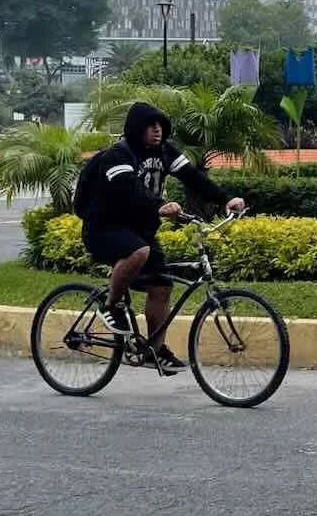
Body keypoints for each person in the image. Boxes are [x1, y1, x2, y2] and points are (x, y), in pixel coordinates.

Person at [73, 102, 245, 374]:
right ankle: (111, 304)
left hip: (139, 230)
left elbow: (192, 177)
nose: (157, 130)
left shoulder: (165, 151)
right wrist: (159, 205)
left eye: (161, 126)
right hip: (103, 228)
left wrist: (225, 198)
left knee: (162, 285)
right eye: (151, 125)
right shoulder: (118, 154)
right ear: (136, 128)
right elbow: (129, 191)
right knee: (139, 251)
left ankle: (153, 350)